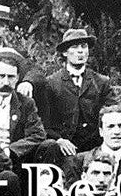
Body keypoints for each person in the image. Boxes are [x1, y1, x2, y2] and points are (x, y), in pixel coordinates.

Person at [0, 50, 57, 190]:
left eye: (11, 77)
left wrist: (12, 150)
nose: (6, 82)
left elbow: (38, 134)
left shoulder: (26, 103)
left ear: (17, 78)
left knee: (50, 145)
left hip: (16, 158)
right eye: (1, 76)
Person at [31, 28, 116, 158]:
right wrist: (59, 140)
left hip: (95, 148)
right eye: (75, 47)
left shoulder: (101, 82)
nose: (80, 51)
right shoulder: (51, 83)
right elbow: (43, 122)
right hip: (63, 149)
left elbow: (112, 114)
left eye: (84, 46)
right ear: (65, 52)